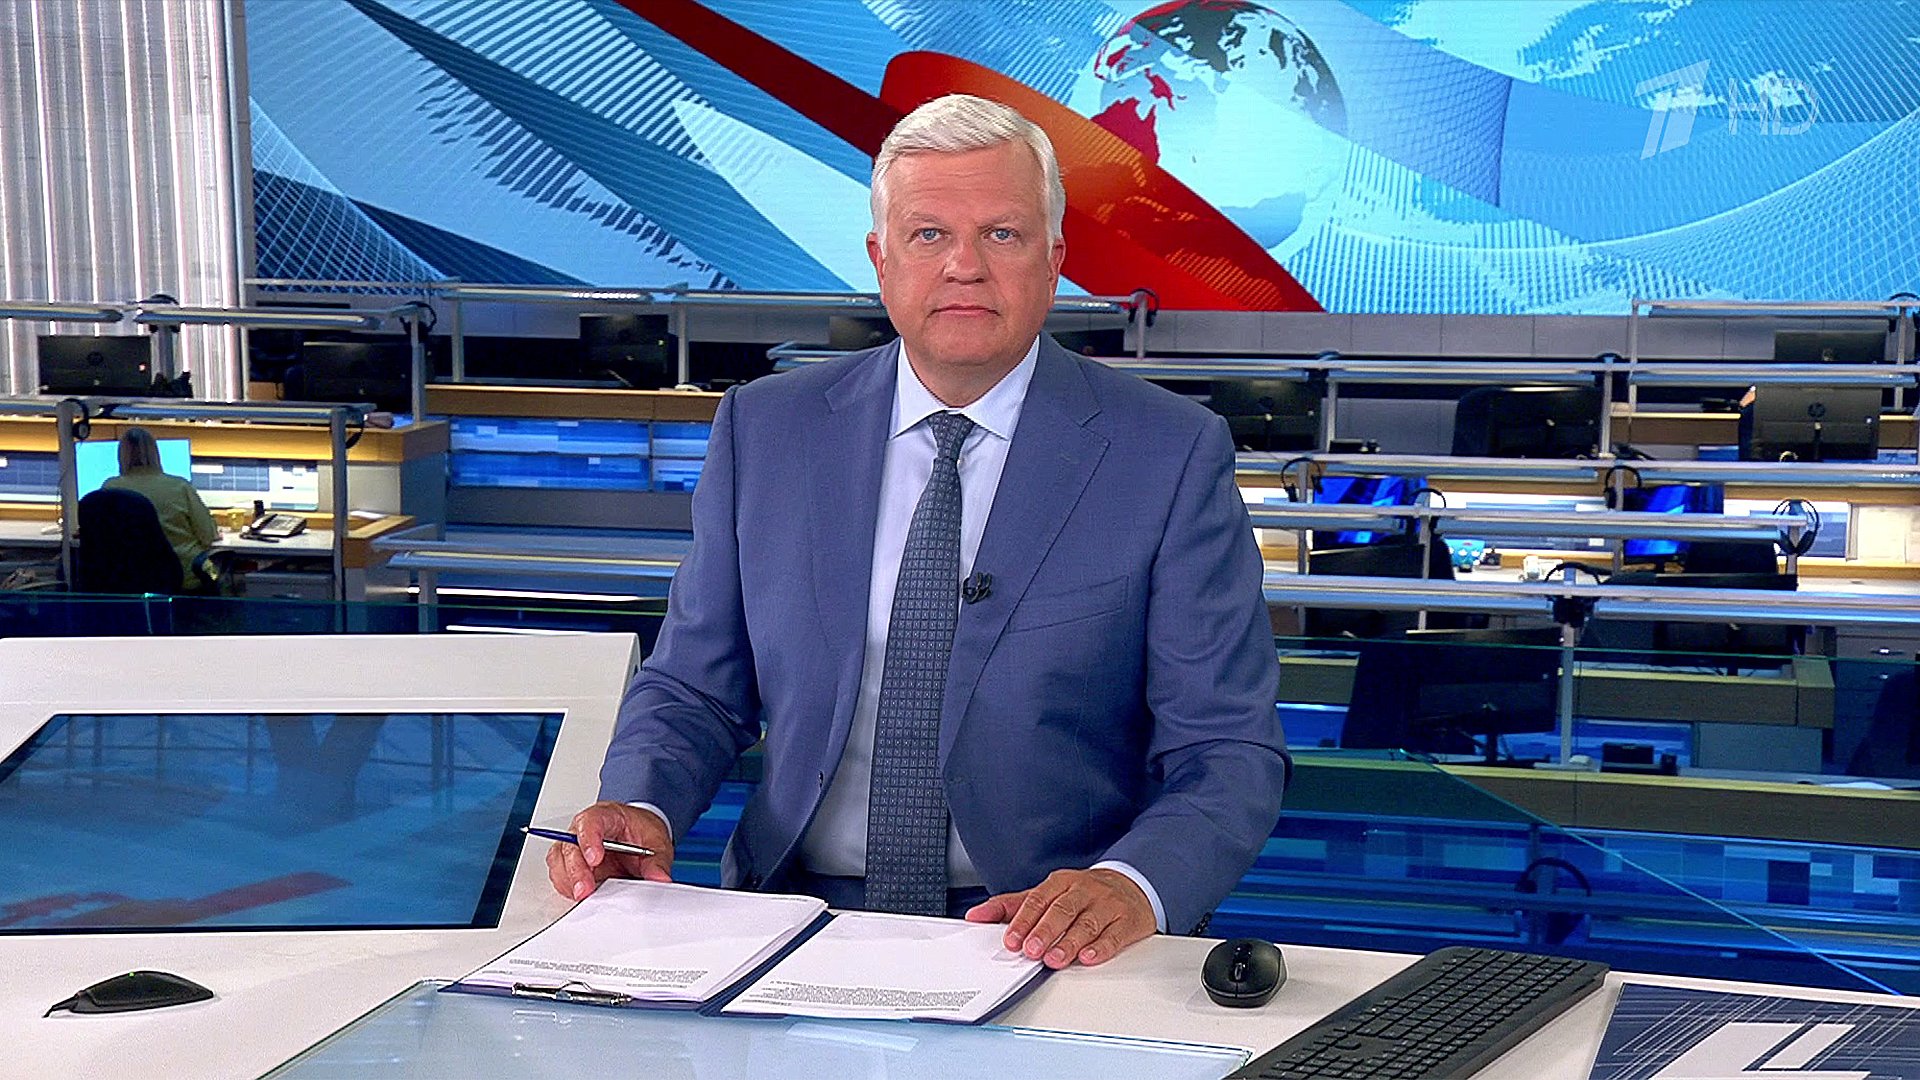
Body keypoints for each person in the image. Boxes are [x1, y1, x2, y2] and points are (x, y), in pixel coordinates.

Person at [548, 94, 1287, 970]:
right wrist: (642, 806)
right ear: (881, 258)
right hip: (792, 919)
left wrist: (1131, 884)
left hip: (1045, 937)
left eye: (1002, 234)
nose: (964, 267)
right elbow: (694, 689)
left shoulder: (1166, 453)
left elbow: (1225, 747)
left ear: (1054, 260)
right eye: (929, 234)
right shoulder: (766, 429)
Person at [103, 426, 218, 589]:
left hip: (130, 577)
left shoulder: (109, 489)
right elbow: (208, 536)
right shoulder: (179, 487)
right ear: (155, 453)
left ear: (121, 455)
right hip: (185, 575)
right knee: (222, 578)